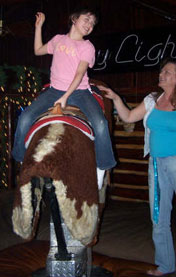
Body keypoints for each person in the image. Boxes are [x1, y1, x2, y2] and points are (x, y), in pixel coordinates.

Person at [98, 58, 176, 277]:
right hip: (156, 164)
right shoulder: (152, 100)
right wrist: (115, 98)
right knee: (158, 217)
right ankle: (165, 265)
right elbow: (128, 117)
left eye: (167, 72)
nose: (161, 74)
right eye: (161, 71)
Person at [12, 8, 116, 185]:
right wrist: (38, 27)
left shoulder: (87, 46)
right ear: (74, 19)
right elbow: (38, 50)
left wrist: (66, 96)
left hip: (80, 92)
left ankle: (102, 166)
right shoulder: (58, 40)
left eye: (92, 23)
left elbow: (79, 73)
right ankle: (21, 160)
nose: (89, 25)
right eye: (86, 20)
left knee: (100, 123)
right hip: (54, 90)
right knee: (25, 117)